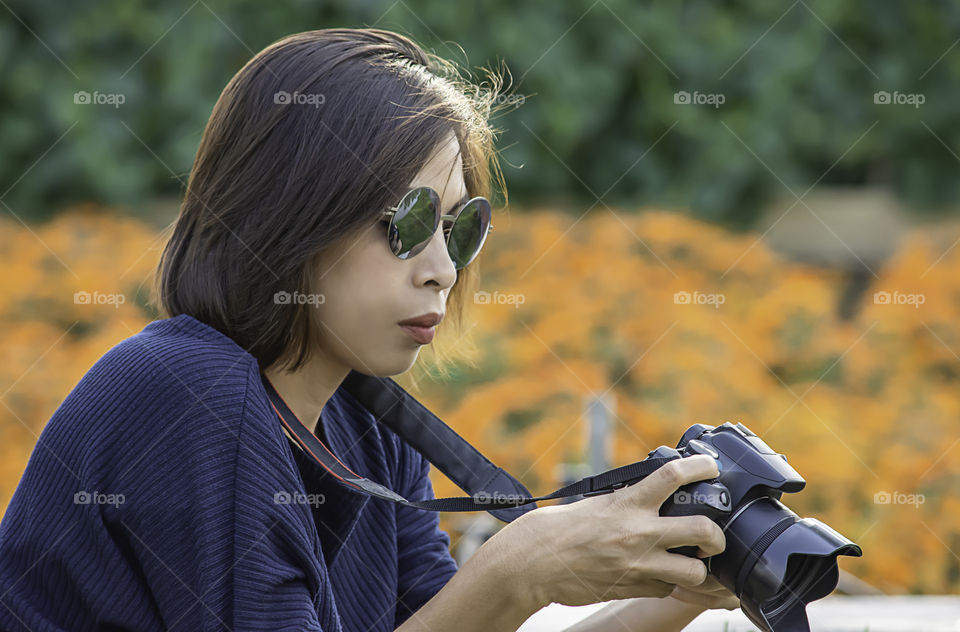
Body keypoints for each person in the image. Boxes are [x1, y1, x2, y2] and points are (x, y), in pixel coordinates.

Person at [0, 28, 738, 631]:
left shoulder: (367, 426)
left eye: (461, 228)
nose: (443, 269)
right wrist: (516, 573)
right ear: (290, 214)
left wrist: (681, 596)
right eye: (411, 221)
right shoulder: (184, 393)